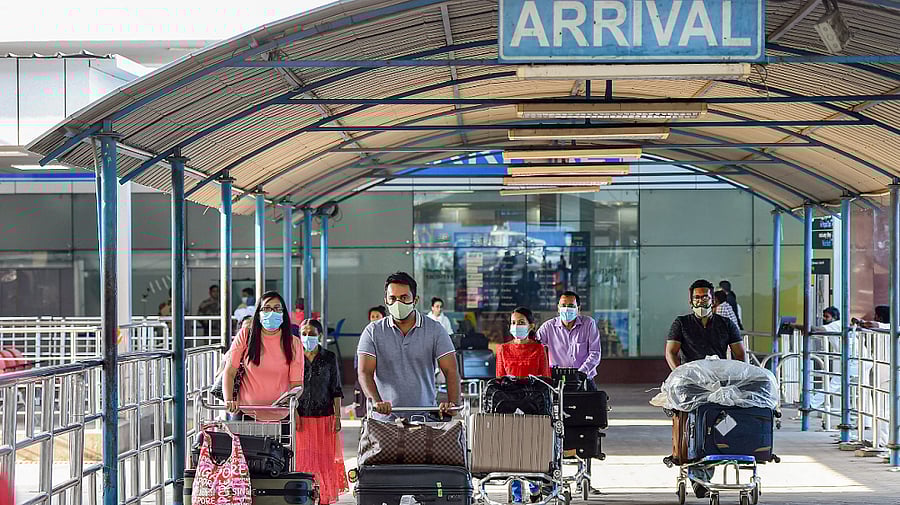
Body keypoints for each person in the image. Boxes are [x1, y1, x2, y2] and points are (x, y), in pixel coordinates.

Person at [665, 279, 746, 498]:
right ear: (690, 300)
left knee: (719, 424)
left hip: (719, 384)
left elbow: (739, 353)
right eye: (697, 297)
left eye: (705, 297)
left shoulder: (726, 324)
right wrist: (680, 374)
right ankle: (697, 472)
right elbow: (671, 351)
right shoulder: (681, 323)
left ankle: (704, 471)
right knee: (693, 426)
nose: (701, 301)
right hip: (691, 385)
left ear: (713, 299)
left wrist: (736, 377)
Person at [357, 272, 461, 420]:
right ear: (385, 300)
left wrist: (453, 404)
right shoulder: (373, 332)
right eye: (392, 298)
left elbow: (450, 370)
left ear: (415, 299)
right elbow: (364, 372)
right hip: (384, 421)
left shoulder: (435, 330)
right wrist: (376, 401)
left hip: (424, 419)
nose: (398, 303)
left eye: (404, 297)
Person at [223, 291, 304, 426]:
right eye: (266, 308)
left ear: (283, 313)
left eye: (277, 308)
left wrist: (291, 401)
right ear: (258, 313)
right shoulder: (246, 335)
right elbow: (230, 371)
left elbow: (296, 384)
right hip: (246, 412)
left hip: (281, 416)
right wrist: (229, 399)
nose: (272, 312)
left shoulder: (293, 343)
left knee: (281, 448)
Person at [496, 307, 550, 503]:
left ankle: (535, 485)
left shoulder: (539, 350)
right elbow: (499, 381)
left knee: (531, 448)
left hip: (533, 404)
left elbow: (545, 380)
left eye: (521, 323)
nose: (516, 326)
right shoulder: (503, 349)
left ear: (531, 326)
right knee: (513, 451)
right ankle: (517, 495)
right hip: (510, 405)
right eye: (513, 323)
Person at [295, 319, 348, 505]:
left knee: (324, 459)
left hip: (325, 415)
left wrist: (338, 416)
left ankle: (324, 496)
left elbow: (336, 389)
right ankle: (303, 495)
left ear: (319, 336)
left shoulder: (329, 357)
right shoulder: (294, 358)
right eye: (304, 333)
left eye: (311, 333)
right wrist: (294, 414)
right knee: (303, 457)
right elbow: (289, 389)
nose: (307, 337)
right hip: (301, 417)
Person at [536, 291, 602, 390]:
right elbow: (534, 346)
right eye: (563, 305)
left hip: (584, 379)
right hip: (557, 381)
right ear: (558, 308)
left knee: (595, 403)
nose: (566, 309)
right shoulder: (548, 327)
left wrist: (580, 373)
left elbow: (595, 353)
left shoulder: (588, 324)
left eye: (571, 306)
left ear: (578, 309)